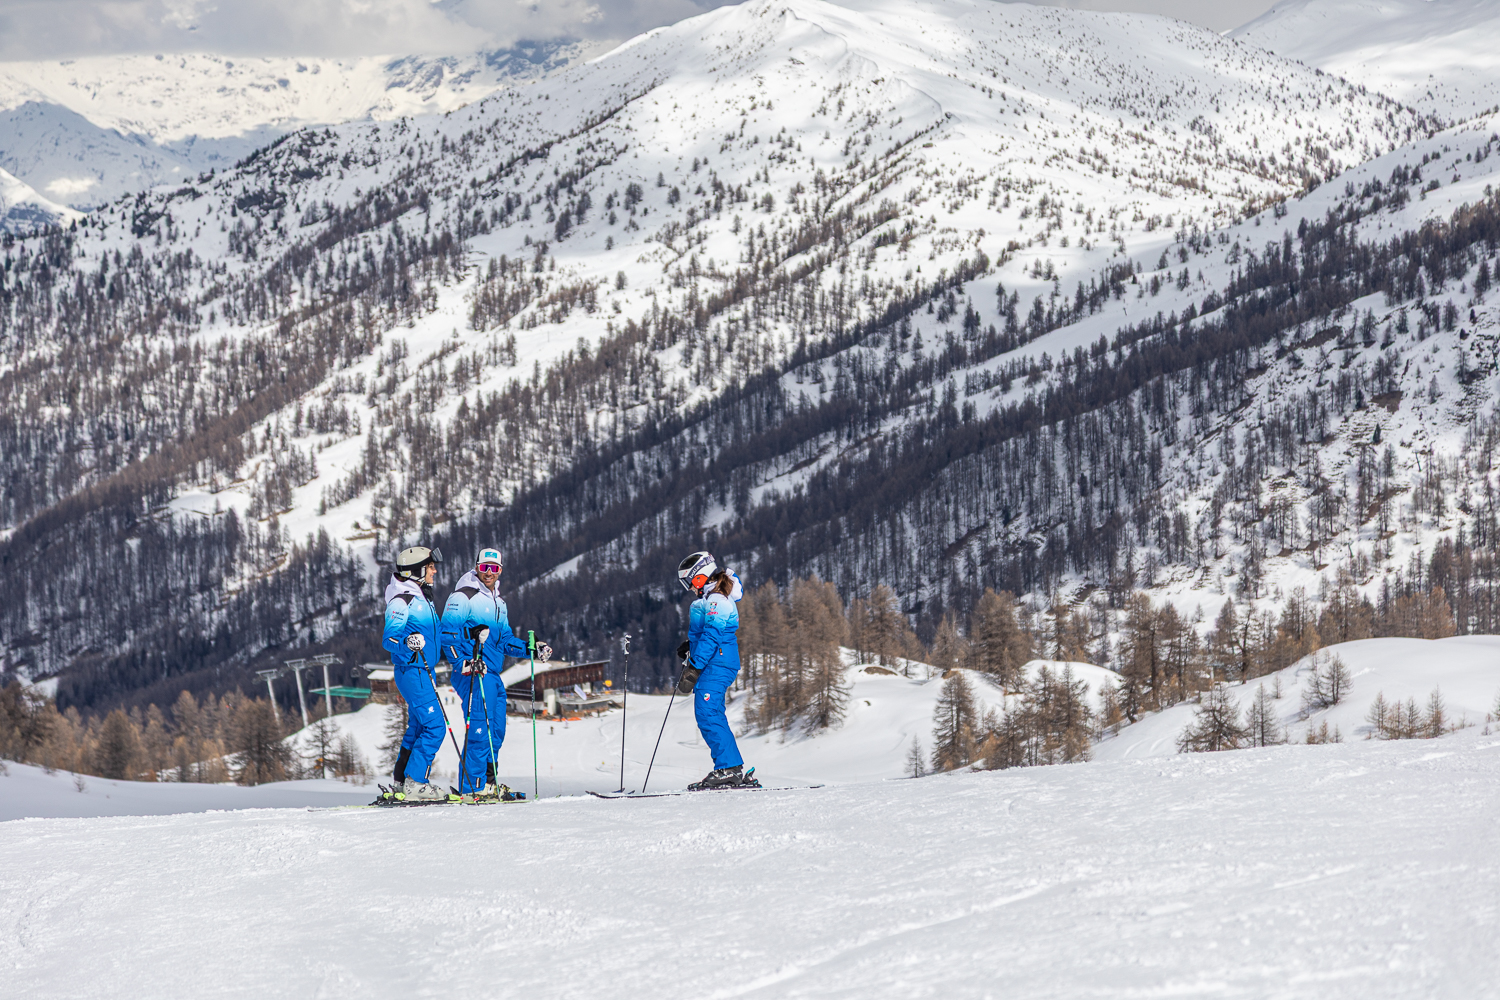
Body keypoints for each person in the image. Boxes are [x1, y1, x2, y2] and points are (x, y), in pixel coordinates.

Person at [440, 547, 551, 798]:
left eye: (494, 568)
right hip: (473, 672)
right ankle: (472, 788)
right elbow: (447, 635)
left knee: (497, 730)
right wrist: (463, 664)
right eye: (484, 567)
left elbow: (505, 641)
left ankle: (489, 783)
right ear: (476, 567)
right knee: (480, 728)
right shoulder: (462, 597)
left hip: (493, 674)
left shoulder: (499, 604)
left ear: (500, 571)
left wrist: (532, 649)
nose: (488, 573)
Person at [676, 551, 752, 789]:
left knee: (708, 713)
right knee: (709, 713)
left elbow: (713, 635)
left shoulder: (717, 599)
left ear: (698, 578)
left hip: (716, 663)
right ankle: (729, 767)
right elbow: (708, 633)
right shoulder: (712, 598)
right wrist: (691, 646)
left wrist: (694, 667)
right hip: (715, 662)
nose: (689, 589)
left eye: (688, 583)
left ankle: (729, 768)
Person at [382, 545, 448, 801]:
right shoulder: (402, 601)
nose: (434, 571)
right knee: (435, 727)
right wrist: (408, 643)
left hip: (422, 670)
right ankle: (416, 782)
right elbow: (389, 640)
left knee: (419, 726)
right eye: (430, 566)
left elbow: (434, 632)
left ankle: (401, 781)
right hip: (413, 671)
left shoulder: (421, 596)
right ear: (417, 570)